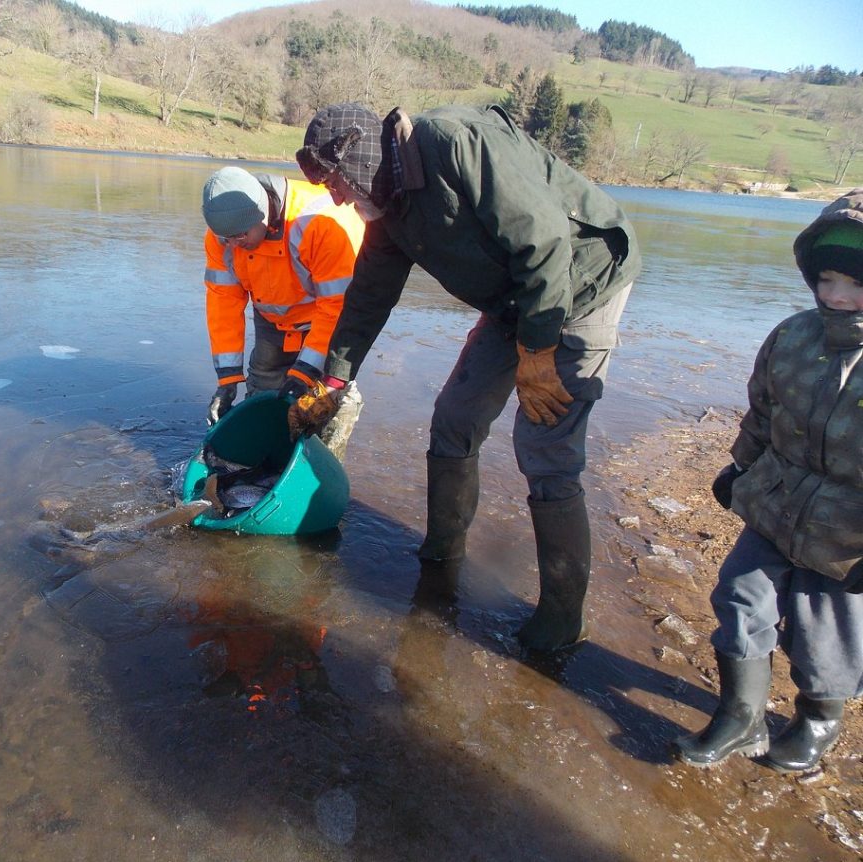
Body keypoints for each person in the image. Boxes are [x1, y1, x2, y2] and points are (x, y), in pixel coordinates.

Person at [288, 102, 641, 653]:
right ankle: (442, 551)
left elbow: (544, 242)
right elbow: (368, 297)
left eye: (335, 183)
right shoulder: (386, 205)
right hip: (513, 300)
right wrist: (333, 381)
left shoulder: (456, 144)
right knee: (454, 419)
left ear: (358, 159)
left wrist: (538, 351)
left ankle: (563, 617)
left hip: (583, 280)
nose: (336, 198)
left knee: (544, 445)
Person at [673, 191, 863, 772]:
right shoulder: (792, 335)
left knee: (823, 635)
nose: (835, 295)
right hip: (776, 502)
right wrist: (739, 469)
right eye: (826, 278)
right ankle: (742, 716)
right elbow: (761, 411)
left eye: (856, 284)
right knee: (739, 593)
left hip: (850, 536)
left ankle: (818, 719)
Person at [200, 166, 365, 434]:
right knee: (262, 402)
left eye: (240, 236)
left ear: (264, 215)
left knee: (322, 407)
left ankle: (320, 460)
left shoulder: (320, 222)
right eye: (225, 238)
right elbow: (223, 303)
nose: (233, 245)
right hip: (272, 322)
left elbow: (338, 308)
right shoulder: (223, 235)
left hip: (329, 323)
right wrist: (227, 380)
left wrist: (304, 373)